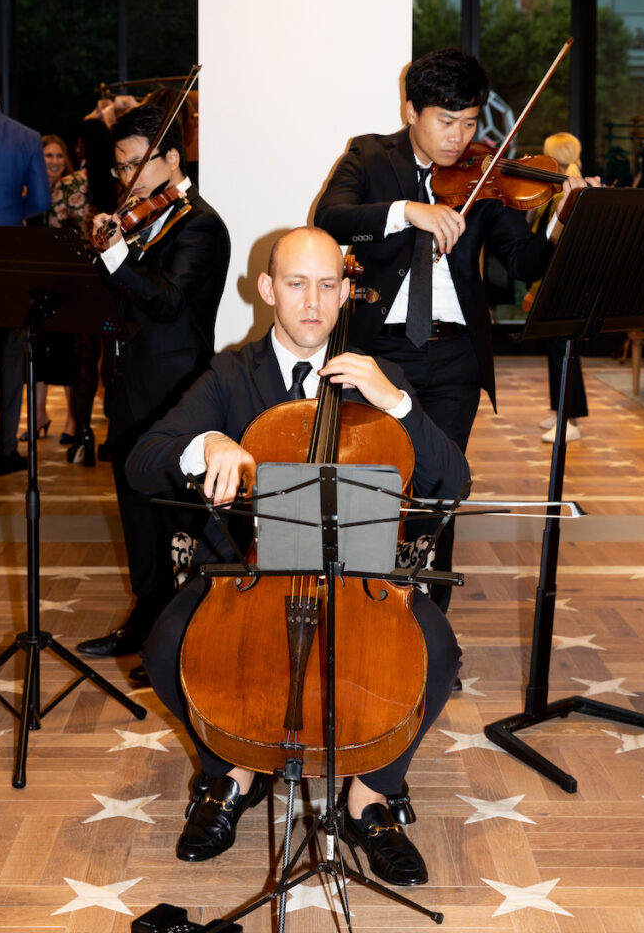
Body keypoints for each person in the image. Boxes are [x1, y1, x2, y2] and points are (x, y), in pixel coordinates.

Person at [125, 226, 469, 885]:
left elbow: (451, 483)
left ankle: (371, 795)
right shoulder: (232, 373)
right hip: (244, 574)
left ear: (346, 293)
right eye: (294, 284)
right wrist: (208, 445)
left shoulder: (377, 378)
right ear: (266, 290)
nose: (311, 302)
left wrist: (396, 405)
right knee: (166, 649)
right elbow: (145, 462)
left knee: (438, 653)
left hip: (362, 574)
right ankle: (234, 770)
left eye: (326, 285)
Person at [314, 47, 598, 613]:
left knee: (439, 494)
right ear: (411, 109)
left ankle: (427, 628)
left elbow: (524, 262)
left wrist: (563, 219)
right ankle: (366, 615)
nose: (458, 137)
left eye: (469, 122)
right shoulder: (368, 156)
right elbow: (329, 217)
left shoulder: (486, 173)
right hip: (378, 354)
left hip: (454, 359)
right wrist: (406, 210)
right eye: (446, 121)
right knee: (373, 489)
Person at [75, 103, 230, 660]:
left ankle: (178, 639)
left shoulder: (201, 225)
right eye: (120, 168)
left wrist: (117, 259)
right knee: (136, 514)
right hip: (124, 383)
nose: (128, 179)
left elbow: (168, 304)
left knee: (177, 522)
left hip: (175, 392)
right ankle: (143, 623)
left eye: (137, 164)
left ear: (171, 157)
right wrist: (101, 255)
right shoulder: (139, 220)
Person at [0, 63, 52, 475]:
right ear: (0, 94)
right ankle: (6, 450)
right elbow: (41, 200)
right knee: (11, 354)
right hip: (6, 256)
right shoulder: (26, 137)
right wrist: (10, 214)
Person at [48, 118, 118, 463]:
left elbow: (54, 234)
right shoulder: (120, 185)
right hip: (114, 280)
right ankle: (113, 436)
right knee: (112, 359)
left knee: (83, 360)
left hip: (80, 281)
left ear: (80, 148)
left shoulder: (67, 185)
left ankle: (82, 436)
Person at [525, 132, 589, 443]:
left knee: (564, 350)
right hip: (565, 280)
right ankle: (560, 412)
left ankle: (570, 421)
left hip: (566, 281)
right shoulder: (561, 188)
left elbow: (555, 246)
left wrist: (536, 288)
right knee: (556, 349)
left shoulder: (569, 192)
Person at [21, 134, 77, 445]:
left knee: (67, 352)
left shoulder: (73, 192)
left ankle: (71, 418)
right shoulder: (30, 194)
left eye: (58, 156)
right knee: (37, 349)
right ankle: (38, 415)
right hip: (37, 282)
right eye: (47, 156)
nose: (53, 161)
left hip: (66, 282)